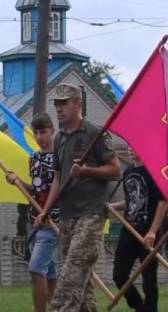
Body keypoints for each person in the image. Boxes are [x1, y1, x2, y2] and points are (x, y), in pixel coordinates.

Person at [34, 83, 121, 312]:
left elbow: (115, 170)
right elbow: (57, 178)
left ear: (78, 104)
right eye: (56, 104)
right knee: (83, 287)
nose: (59, 108)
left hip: (90, 214)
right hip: (67, 216)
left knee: (71, 275)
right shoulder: (60, 139)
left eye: (64, 103)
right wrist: (46, 210)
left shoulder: (95, 133)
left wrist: (87, 171)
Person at [6, 112, 60, 312]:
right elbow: (35, 191)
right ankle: (56, 308)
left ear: (52, 131)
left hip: (51, 221)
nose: (39, 137)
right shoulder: (34, 158)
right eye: (36, 133)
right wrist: (18, 182)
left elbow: (60, 190)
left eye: (43, 132)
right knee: (50, 271)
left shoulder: (60, 157)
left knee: (36, 268)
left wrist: (45, 213)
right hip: (33, 222)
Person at [111, 148, 167, 312]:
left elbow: (162, 203)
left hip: (149, 231)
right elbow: (131, 200)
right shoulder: (128, 171)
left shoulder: (153, 171)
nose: (130, 149)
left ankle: (150, 309)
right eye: (129, 145)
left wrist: (152, 231)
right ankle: (140, 307)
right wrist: (111, 206)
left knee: (149, 279)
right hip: (129, 229)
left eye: (135, 146)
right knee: (119, 275)